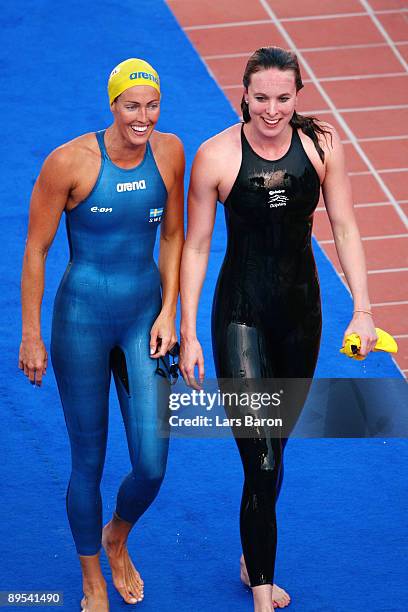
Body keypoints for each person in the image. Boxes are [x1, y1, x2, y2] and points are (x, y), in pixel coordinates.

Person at [179, 47, 377, 612]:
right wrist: (189, 331)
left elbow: (344, 224)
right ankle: (263, 594)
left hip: (300, 316)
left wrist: (362, 309)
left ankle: (251, 554)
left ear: (298, 96)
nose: (271, 109)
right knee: (262, 457)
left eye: (283, 98)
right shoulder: (216, 156)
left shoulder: (321, 147)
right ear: (244, 94)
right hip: (240, 315)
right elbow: (195, 246)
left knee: (272, 450)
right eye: (260, 98)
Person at [19, 58, 184, 612]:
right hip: (82, 321)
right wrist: (30, 335)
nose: (144, 117)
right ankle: (92, 575)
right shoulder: (69, 162)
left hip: (145, 318)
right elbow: (36, 250)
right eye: (132, 105)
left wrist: (170, 312)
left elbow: (175, 236)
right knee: (87, 461)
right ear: (111, 106)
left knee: (152, 464)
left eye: (152, 105)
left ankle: (117, 534)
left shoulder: (170, 153)